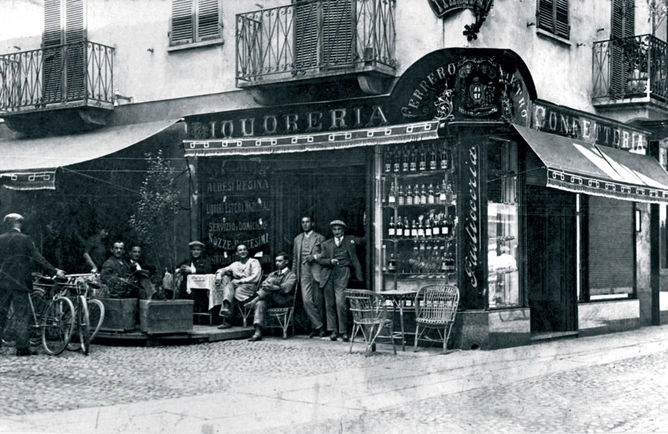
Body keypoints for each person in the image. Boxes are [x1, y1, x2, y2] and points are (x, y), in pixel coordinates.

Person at [0, 213, 65, 356]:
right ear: (18, 223)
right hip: (20, 283)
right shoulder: (25, 239)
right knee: (22, 314)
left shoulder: (1, 239)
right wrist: (53, 271)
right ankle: (22, 348)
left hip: (3, 283)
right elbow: (37, 258)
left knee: (1, 312)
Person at [317, 220, 364, 342]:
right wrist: (329, 261)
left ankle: (343, 331)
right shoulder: (326, 244)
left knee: (340, 302)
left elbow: (365, 240)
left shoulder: (350, 240)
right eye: (334, 229)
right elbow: (320, 260)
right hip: (328, 274)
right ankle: (333, 330)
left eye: (339, 229)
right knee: (329, 304)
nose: (337, 232)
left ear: (343, 230)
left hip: (343, 272)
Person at [247, 252, 297, 342]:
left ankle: (254, 300)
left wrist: (274, 287)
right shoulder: (272, 273)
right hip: (270, 299)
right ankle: (258, 332)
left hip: (283, 300)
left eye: (280, 261)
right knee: (260, 303)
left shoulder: (291, 275)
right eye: (276, 261)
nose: (277, 263)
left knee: (273, 280)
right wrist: (267, 286)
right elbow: (264, 285)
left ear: (286, 261)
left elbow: (287, 288)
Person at [214, 244, 262, 329]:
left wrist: (240, 281)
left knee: (232, 290)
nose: (242, 251)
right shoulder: (235, 264)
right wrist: (219, 274)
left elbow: (255, 277)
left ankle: (227, 319)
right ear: (236, 253)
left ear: (247, 251)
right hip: (237, 287)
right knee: (229, 286)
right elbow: (224, 269)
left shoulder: (253, 262)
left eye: (244, 249)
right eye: (240, 250)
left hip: (250, 287)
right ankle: (226, 306)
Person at [293, 216, 326, 338]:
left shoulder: (320, 237)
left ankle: (316, 328)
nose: (305, 224)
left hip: (316, 271)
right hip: (303, 273)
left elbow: (326, 253)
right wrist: (294, 275)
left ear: (312, 223)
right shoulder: (297, 239)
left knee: (318, 301)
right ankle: (319, 326)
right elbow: (295, 258)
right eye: (303, 222)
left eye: (307, 222)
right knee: (307, 300)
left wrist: (315, 256)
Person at [175, 241, 213, 309]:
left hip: (200, 290)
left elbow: (207, 270)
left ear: (201, 251)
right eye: (194, 250)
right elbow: (175, 269)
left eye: (198, 250)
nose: (196, 252)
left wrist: (192, 270)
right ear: (191, 251)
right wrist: (179, 270)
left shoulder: (205, 261)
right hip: (185, 290)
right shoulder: (187, 261)